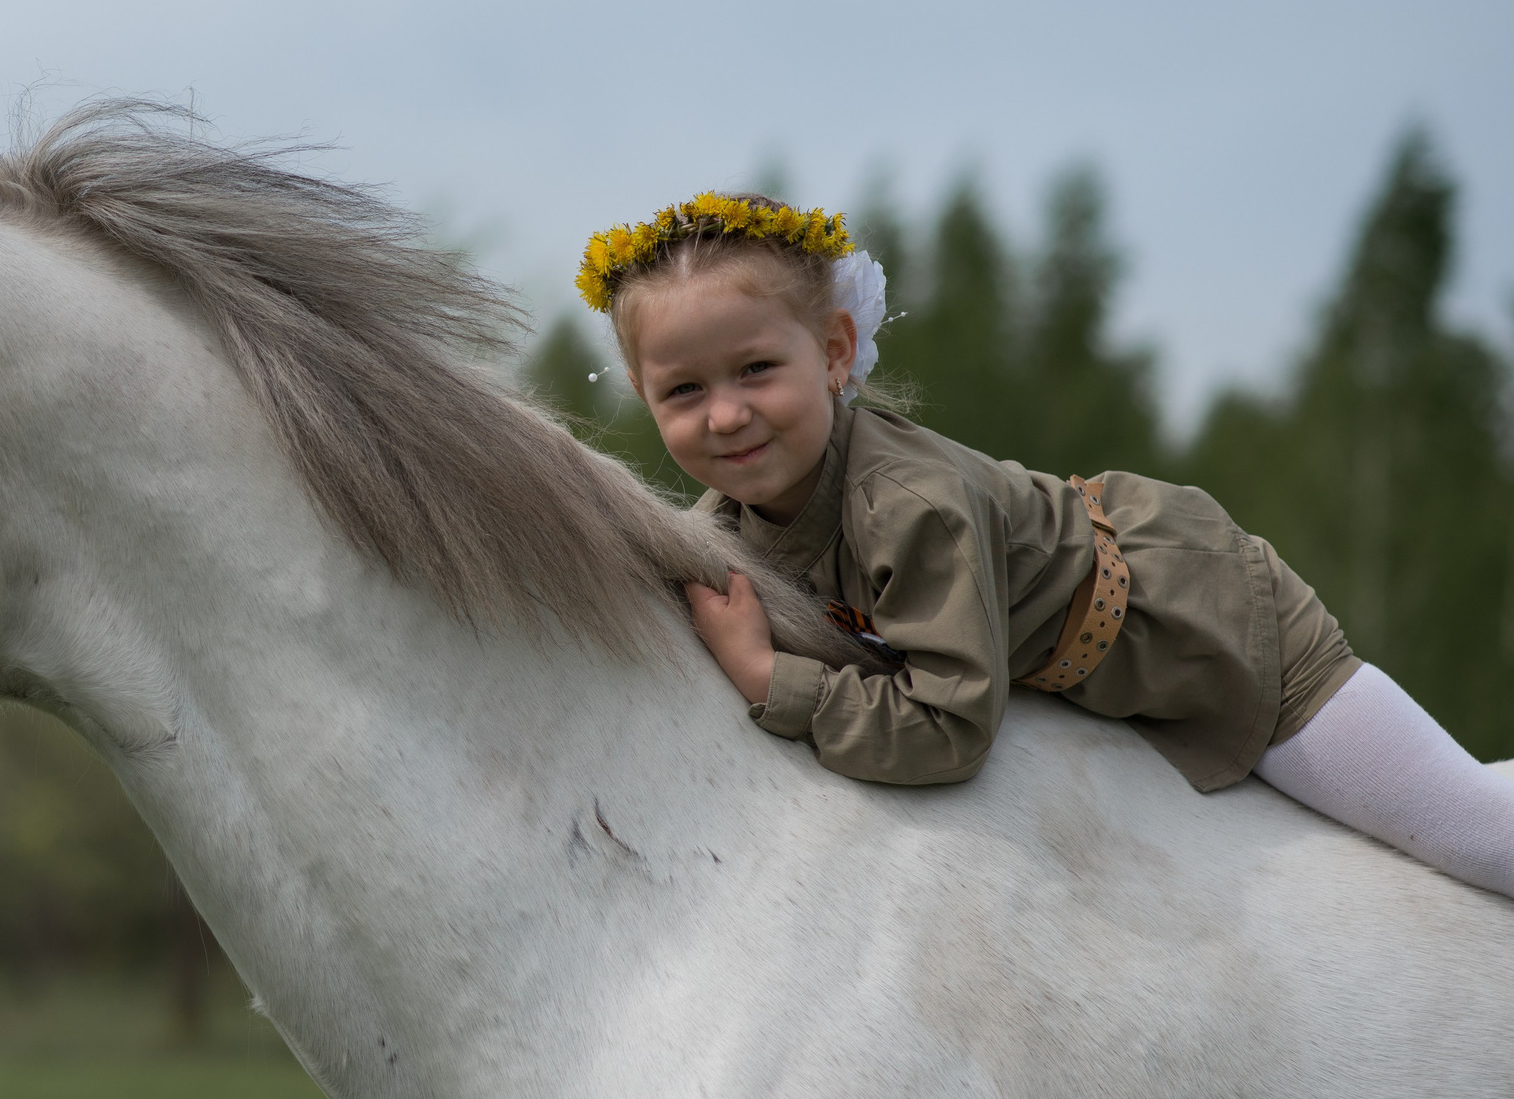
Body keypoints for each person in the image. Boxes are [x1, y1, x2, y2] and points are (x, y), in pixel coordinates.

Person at [580, 191, 1514, 896]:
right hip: (1086, 671)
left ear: (833, 350)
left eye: (755, 369)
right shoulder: (727, 526)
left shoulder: (912, 505)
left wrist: (769, 682)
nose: (728, 414)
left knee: (1467, 831)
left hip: (1202, 621)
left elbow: (949, 728)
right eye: (684, 392)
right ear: (642, 392)